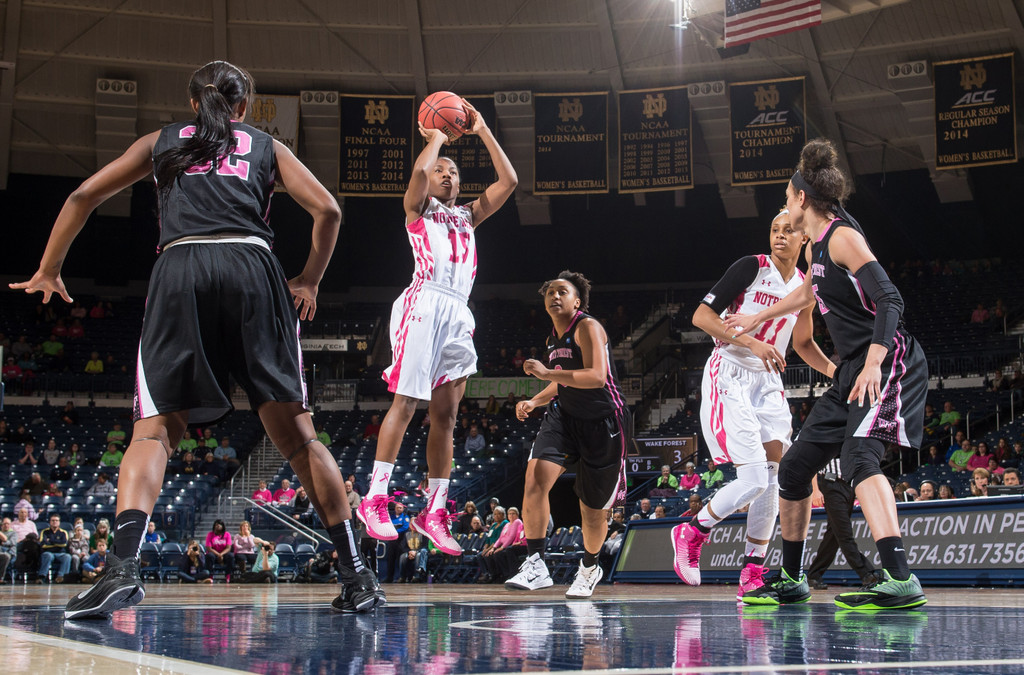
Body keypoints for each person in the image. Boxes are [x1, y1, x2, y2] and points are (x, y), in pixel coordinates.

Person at [12, 60, 381, 618]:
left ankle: (121, 571)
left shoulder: (160, 142)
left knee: (155, 433)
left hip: (181, 267)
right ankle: (357, 578)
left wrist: (49, 269)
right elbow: (328, 208)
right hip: (254, 268)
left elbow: (83, 195)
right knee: (301, 441)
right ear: (243, 106)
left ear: (192, 103)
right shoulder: (265, 144)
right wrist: (307, 279)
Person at [724, 138, 927, 610]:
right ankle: (792, 579)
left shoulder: (841, 237)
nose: (783, 206)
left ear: (800, 200)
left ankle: (900, 578)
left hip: (889, 359)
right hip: (853, 370)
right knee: (793, 471)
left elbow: (890, 299)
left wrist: (875, 361)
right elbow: (808, 295)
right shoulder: (816, 248)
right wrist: (756, 318)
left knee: (859, 459)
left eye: (785, 197)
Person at [357, 100, 517, 559]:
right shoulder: (419, 209)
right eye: (440, 171)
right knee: (407, 403)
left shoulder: (467, 216)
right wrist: (437, 139)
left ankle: (436, 510)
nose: (446, 175)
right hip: (423, 301)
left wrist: (483, 130)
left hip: (459, 311)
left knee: (446, 416)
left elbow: (509, 183)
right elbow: (417, 179)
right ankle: (375, 497)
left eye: (453, 173)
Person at [672, 206, 836, 601]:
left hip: (768, 383)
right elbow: (701, 316)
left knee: (775, 479)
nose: (779, 235)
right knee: (753, 479)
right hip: (730, 370)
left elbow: (803, 345)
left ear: (803, 238)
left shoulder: (804, 286)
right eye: (774, 229)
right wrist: (751, 342)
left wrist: (837, 372)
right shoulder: (751, 266)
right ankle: (692, 530)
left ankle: (753, 572)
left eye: (788, 230)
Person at [504, 271, 631, 599]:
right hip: (564, 417)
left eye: (563, 291)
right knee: (535, 477)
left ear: (578, 301)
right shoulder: (552, 339)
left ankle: (590, 567)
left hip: (604, 423)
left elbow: (597, 377)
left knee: (592, 511)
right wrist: (535, 400)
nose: (554, 296)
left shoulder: (588, 327)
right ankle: (535, 562)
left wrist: (547, 373)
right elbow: (561, 382)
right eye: (550, 292)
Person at [804, 459, 878, 590]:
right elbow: (813, 461)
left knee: (833, 534)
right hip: (830, 483)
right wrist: (815, 490)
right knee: (844, 533)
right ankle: (866, 573)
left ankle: (814, 574)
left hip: (848, 486)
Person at [38, 514, 72, 584]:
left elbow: (64, 544)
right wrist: (57, 543)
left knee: (67, 557)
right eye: (53, 520)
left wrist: (50, 541)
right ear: (50, 522)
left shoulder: (63, 532)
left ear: (59, 522)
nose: (54, 522)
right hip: (48, 552)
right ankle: (42, 576)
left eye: (56, 520)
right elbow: (43, 545)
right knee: (48, 555)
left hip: (60, 553)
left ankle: (61, 577)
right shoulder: (44, 532)